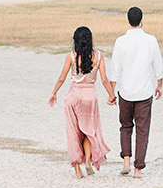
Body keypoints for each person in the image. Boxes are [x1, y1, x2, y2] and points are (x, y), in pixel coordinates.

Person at [48, 25, 116, 178]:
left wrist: (54, 93)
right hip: (90, 97)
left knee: (73, 132)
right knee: (88, 132)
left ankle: (77, 169)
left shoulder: (71, 56)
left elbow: (62, 77)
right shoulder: (99, 56)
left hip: (73, 96)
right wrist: (112, 95)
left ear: (75, 41)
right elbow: (104, 80)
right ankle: (87, 161)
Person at [109, 6, 163, 177]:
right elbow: (158, 66)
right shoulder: (151, 40)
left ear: (127, 21)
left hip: (125, 91)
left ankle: (126, 160)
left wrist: (111, 92)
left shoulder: (120, 41)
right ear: (142, 20)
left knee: (125, 126)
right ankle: (137, 169)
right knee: (142, 130)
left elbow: (115, 69)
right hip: (144, 92)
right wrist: (159, 85)